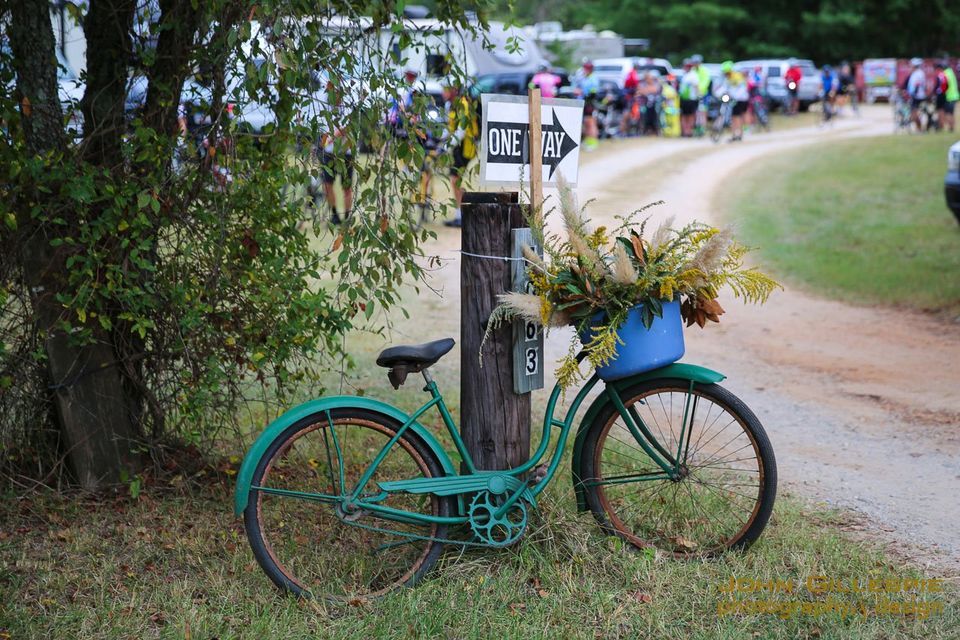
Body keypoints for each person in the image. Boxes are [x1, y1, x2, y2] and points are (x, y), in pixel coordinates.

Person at [440, 81, 479, 228]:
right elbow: (451, 128)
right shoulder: (451, 105)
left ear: (454, 90)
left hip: (465, 147)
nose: (443, 93)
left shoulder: (463, 104)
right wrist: (439, 137)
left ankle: (462, 215)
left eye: (446, 90)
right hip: (457, 145)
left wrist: (445, 146)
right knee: (456, 181)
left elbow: (461, 131)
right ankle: (460, 214)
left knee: (457, 180)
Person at [316, 81, 354, 224]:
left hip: (345, 154)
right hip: (329, 154)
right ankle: (335, 215)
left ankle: (346, 216)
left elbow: (345, 128)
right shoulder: (324, 108)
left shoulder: (347, 109)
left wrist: (331, 137)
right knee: (327, 185)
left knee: (346, 187)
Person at [713, 61, 749, 141]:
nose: (725, 74)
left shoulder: (737, 77)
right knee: (733, 117)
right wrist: (717, 94)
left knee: (737, 117)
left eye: (726, 72)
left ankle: (739, 134)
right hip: (734, 99)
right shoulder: (728, 78)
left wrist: (735, 96)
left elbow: (742, 88)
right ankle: (735, 134)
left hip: (741, 99)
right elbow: (724, 88)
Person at [573, 59, 600, 150]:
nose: (584, 70)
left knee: (591, 122)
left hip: (590, 102)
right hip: (584, 102)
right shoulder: (585, 78)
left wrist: (582, 92)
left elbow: (593, 92)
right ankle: (588, 141)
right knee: (586, 123)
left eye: (586, 68)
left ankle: (593, 142)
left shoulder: (593, 78)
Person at [678, 59, 700, 137]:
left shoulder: (693, 75)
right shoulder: (684, 75)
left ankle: (689, 131)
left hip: (691, 98)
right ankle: (684, 131)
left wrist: (698, 96)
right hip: (684, 98)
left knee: (690, 115)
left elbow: (696, 86)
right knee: (684, 115)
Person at [906, 58, 928, 132]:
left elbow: (916, 86)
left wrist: (912, 94)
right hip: (917, 96)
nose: (910, 66)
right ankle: (919, 129)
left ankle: (920, 129)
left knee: (914, 114)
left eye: (911, 65)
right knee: (914, 114)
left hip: (917, 97)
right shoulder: (916, 73)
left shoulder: (918, 74)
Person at [934, 62, 949, 132]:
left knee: (940, 111)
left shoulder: (940, 75)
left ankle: (941, 126)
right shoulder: (944, 75)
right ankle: (941, 125)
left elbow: (938, 86)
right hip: (943, 94)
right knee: (942, 110)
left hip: (940, 95)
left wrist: (937, 92)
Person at [944, 61, 959, 132]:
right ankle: (952, 128)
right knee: (951, 113)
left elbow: (944, 85)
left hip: (949, 96)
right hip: (955, 96)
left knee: (948, 113)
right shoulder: (951, 72)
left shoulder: (946, 73)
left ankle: (951, 128)